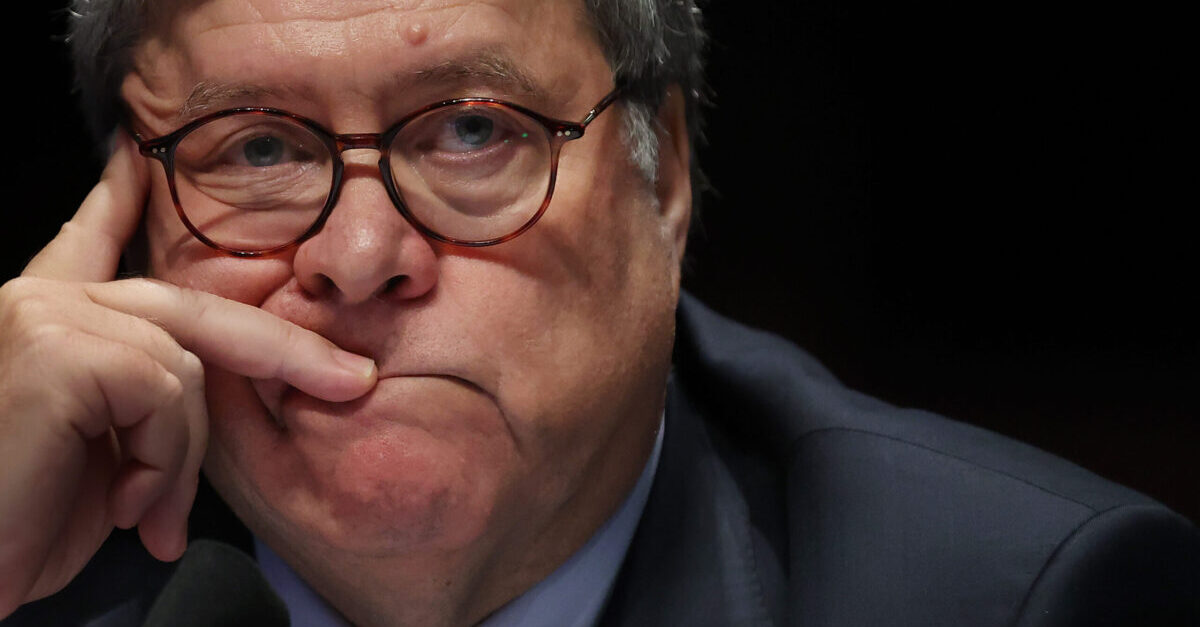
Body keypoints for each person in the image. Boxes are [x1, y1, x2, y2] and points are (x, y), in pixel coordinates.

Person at [1, 1, 1197, 626]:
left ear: (662, 175)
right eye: (255, 147)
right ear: (128, 222)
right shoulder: (37, 569)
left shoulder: (1019, 599)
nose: (359, 257)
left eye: (474, 129)